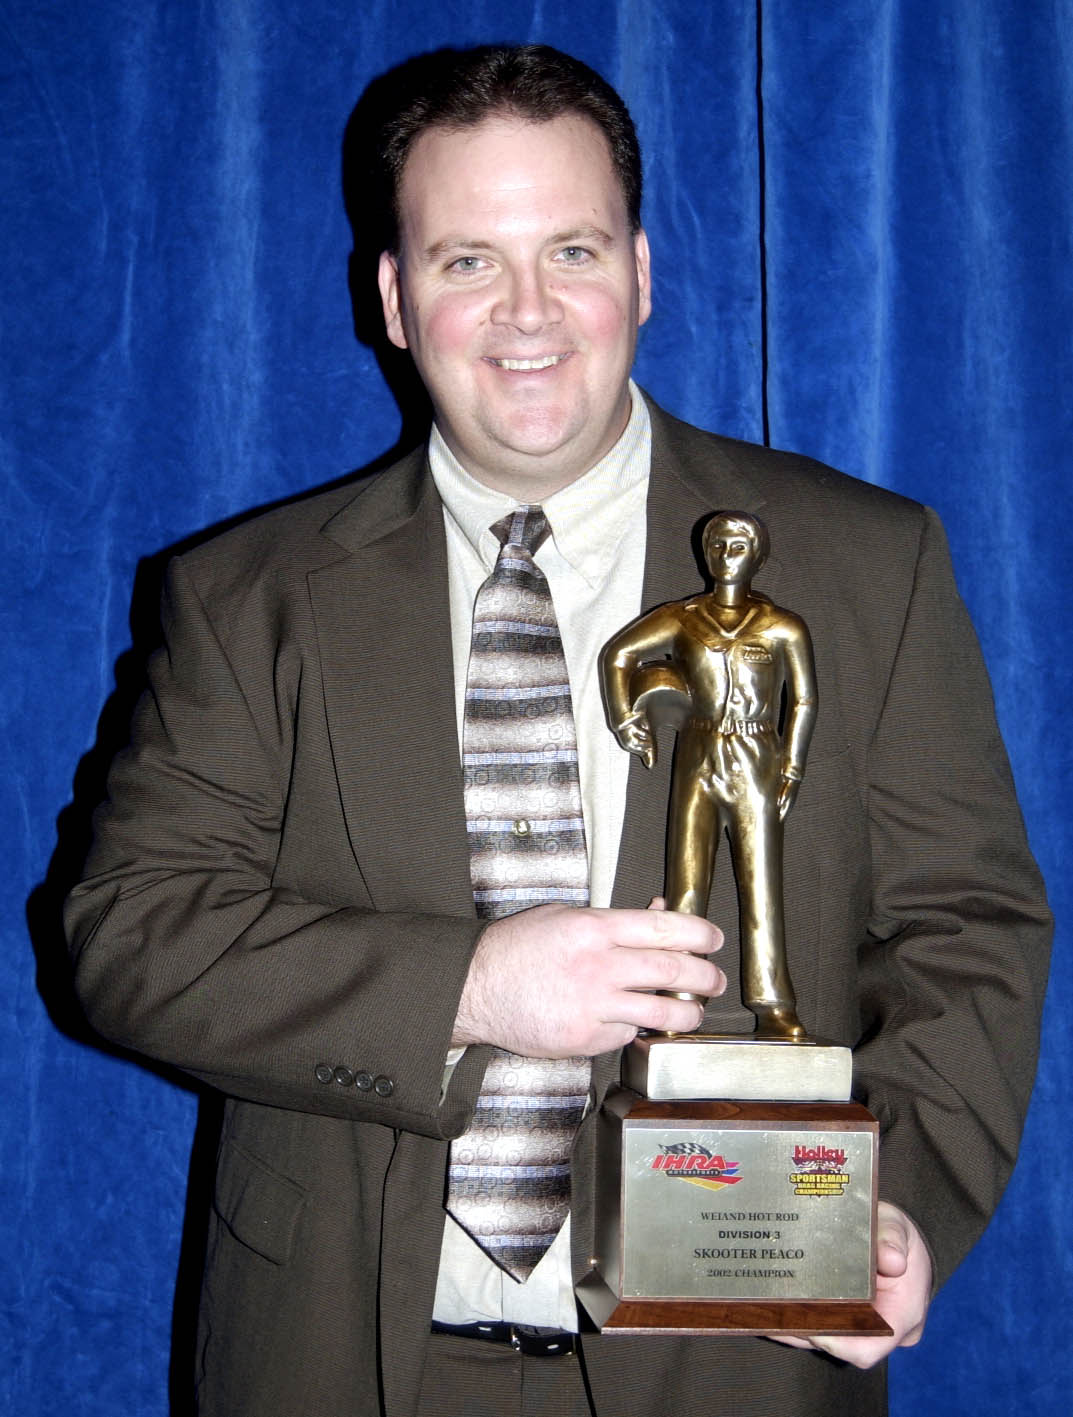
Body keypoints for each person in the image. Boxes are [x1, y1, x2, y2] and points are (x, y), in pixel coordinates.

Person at [64, 43, 1051, 1417]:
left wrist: (892, 1199)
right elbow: (131, 936)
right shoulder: (247, 599)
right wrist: (470, 988)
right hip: (341, 1362)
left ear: (639, 273)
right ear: (394, 300)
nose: (526, 312)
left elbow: (965, 927)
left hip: (733, 1364)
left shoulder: (864, 564)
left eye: (570, 251)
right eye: (467, 259)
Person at [601, 509, 818, 1039]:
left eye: (738, 546)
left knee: (761, 882)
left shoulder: (782, 625)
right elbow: (619, 655)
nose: (726, 556)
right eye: (717, 545)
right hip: (698, 751)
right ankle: (678, 993)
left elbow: (804, 699)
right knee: (686, 881)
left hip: (757, 754)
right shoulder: (682, 618)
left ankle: (773, 1003)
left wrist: (792, 768)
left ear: (758, 556)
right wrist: (626, 718)